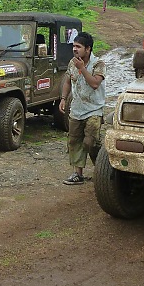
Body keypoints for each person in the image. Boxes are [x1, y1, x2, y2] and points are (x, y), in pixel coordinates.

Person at [60, 31, 106, 185]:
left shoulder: (98, 64)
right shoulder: (72, 63)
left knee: (90, 142)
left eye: (78, 47)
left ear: (88, 49)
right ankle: (77, 174)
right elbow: (67, 81)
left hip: (93, 110)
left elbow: (94, 84)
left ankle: (103, 171)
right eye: (73, 46)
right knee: (74, 141)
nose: (75, 49)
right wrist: (63, 99)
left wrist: (82, 68)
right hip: (76, 109)